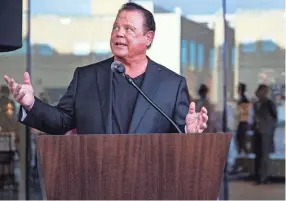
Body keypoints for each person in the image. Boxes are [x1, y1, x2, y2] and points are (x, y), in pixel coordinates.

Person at [3, 2, 208, 135]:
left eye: (129, 29)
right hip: (96, 183)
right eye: (116, 27)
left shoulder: (171, 85)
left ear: (148, 37)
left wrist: (188, 134)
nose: (119, 33)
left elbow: (178, 142)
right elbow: (61, 122)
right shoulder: (86, 77)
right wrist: (31, 104)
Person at [252, 84, 277, 184]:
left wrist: (270, 128)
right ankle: (258, 176)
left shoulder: (269, 103)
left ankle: (264, 177)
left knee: (264, 154)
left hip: (266, 132)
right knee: (258, 154)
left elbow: (274, 117)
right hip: (257, 131)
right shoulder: (255, 104)